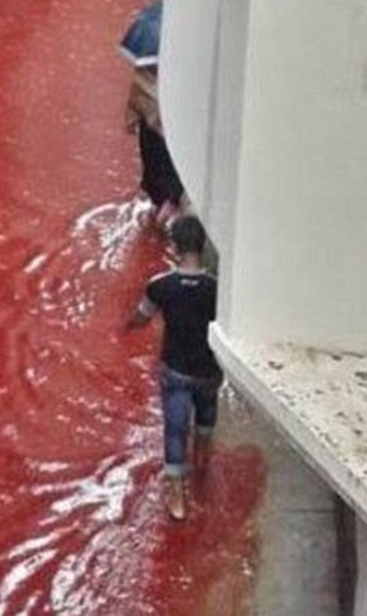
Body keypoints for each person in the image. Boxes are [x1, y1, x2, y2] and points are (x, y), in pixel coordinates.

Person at [126, 215, 221, 520]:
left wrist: (125, 328)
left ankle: (177, 500)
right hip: (208, 370)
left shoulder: (161, 286)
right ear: (203, 245)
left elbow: (141, 317)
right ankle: (203, 471)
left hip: (176, 369)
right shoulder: (217, 289)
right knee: (205, 422)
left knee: (175, 429)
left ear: (175, 247)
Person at [125, 65, 185, 227]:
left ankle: (167, 202)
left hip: (154, 118)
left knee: (157, 162)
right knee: (160, 162)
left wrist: (132, 113)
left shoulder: (148, 58)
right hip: (160, 120)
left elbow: (139, 86)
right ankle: (168, 202)